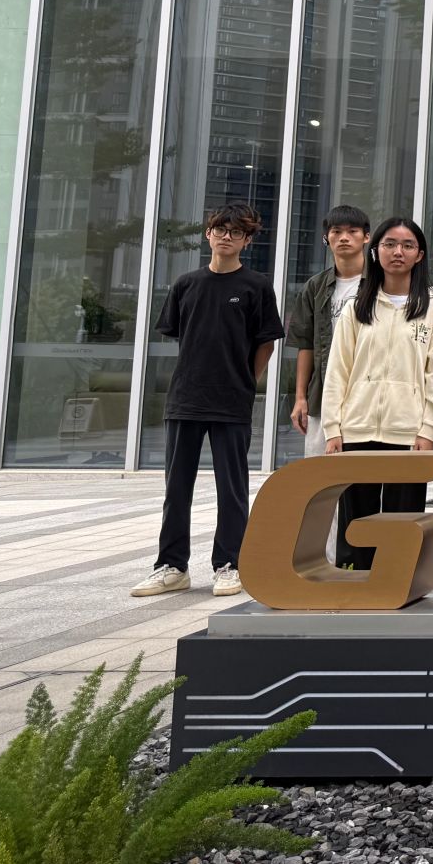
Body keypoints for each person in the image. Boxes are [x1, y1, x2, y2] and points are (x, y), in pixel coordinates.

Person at [132, 202, 286, 598]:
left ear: (247, 241)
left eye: (236, 233)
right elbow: (182, 337)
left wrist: (246, 382)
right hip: (185, 399)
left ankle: (230, 564)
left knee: (231, 488)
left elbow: (266, 343)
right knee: (176, 488)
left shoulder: (256, 286)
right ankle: (171, 566)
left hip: (232, 402)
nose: (226, 237)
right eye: (220, 230)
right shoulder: (186, 284)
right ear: (208, 234)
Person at [320, 216, 433, 571]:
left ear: (420, 255)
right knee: (356, 522)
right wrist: (333, 429)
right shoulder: (357, 306)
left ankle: (399, 585)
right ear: (376, 251)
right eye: (390, 244)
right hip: (357, 429)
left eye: (408, 245)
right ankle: (355, 587)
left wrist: (428, 430)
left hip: (408, 433)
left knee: (403, 522)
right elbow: (338, 371)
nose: (398, 252)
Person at [287, 204, 369, 461]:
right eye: (336, 231)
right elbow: (306, 345)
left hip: (366, 389)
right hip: (323, 392)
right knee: (320, 469)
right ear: (326, 238)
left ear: (366, 237)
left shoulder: (380, 283)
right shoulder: (315, 287)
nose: (344, 238)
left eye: (352, 231)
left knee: (363, 470)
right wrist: (301, 397)